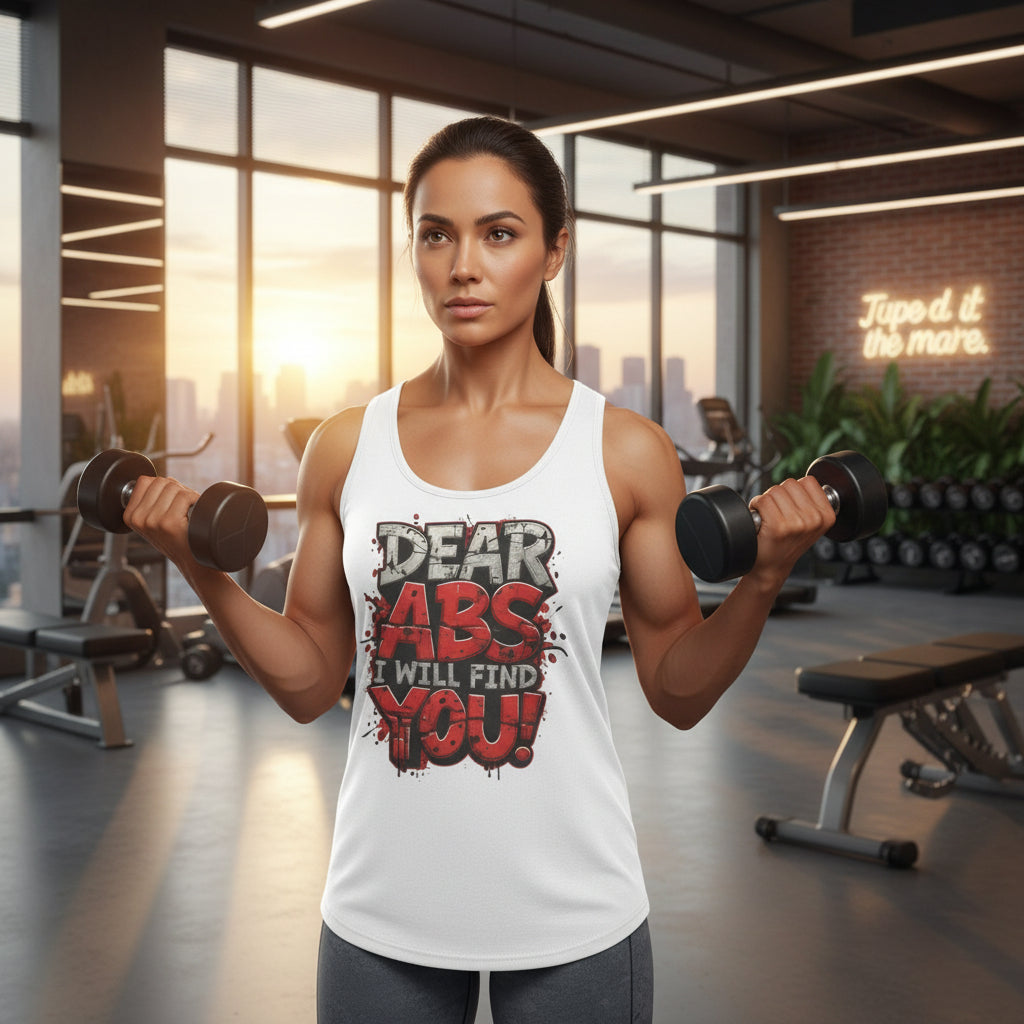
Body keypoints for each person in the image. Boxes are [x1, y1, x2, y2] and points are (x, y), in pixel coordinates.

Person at [123, 115, 836, 1023]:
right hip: (382, 911)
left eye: (499, 233)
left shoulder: (623, 450)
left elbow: (677, 689)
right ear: (413, 249)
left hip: (576, 911)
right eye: (436, 233)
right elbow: (310, 682)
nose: (463, 265)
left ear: (553, 252)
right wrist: (205, 572)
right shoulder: (346, 447)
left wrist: (764, 578)